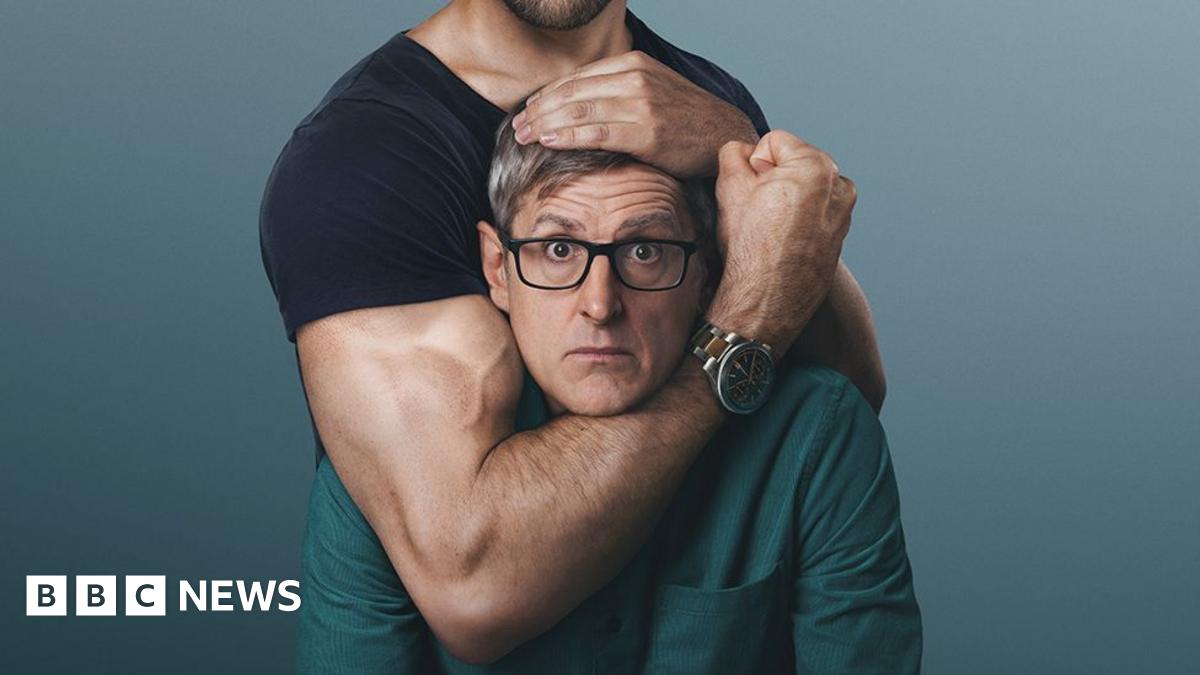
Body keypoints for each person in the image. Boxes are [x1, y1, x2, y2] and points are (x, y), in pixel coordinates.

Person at [260, 0, 881, 664]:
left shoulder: (703, 107)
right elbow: (476, 583)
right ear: (497, 262)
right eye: (556, 252)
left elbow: (840, 394)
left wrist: (738, 146)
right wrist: (733, 336)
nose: (599, 303)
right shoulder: (361, 163)